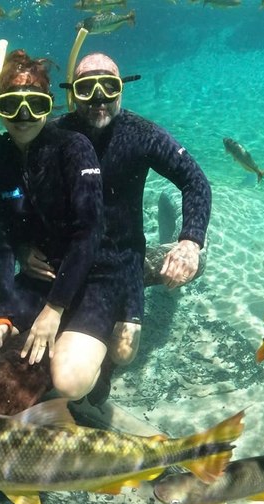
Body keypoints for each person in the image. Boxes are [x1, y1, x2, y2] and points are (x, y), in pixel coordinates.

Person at [41, 52, 210, 404]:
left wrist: (190, 242)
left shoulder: (142, 135)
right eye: (87, 88)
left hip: (122, 258)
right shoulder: (55, 134)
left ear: (122, 89)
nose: (99, 98)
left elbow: (195, 181)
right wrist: (23, 247)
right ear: (72, 93)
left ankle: (107, 364)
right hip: (68, 259)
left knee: (123, 350)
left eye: (109, 86)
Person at [0, 49, 116, 402]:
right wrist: (3, 312)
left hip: (89, 276)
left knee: (71, 383)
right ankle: (52, 352)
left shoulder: (74, 148)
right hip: (37, 278)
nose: (24, 116)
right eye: (13, 105)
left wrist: (54, 309)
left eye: (35, 105)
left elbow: (90, 232)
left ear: (49, 106)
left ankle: (100, 363)